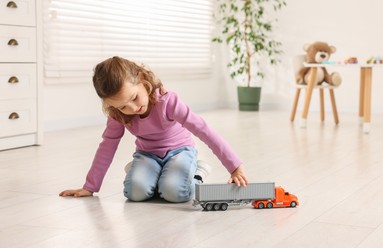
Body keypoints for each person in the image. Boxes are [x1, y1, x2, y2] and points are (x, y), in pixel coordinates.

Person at [60, 56, 248, 202]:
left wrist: (235, 167)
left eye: (134, 98)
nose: (132, 109)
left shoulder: (167, 102)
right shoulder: (117, 114)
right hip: (148, 154)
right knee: (135, 193)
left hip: (180, 151)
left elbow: (203, 129)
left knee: (176, 193)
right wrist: (90, 186)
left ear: (142, 79)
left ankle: (196, 170)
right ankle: (148, 172)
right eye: (123, 106)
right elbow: (108, 145)